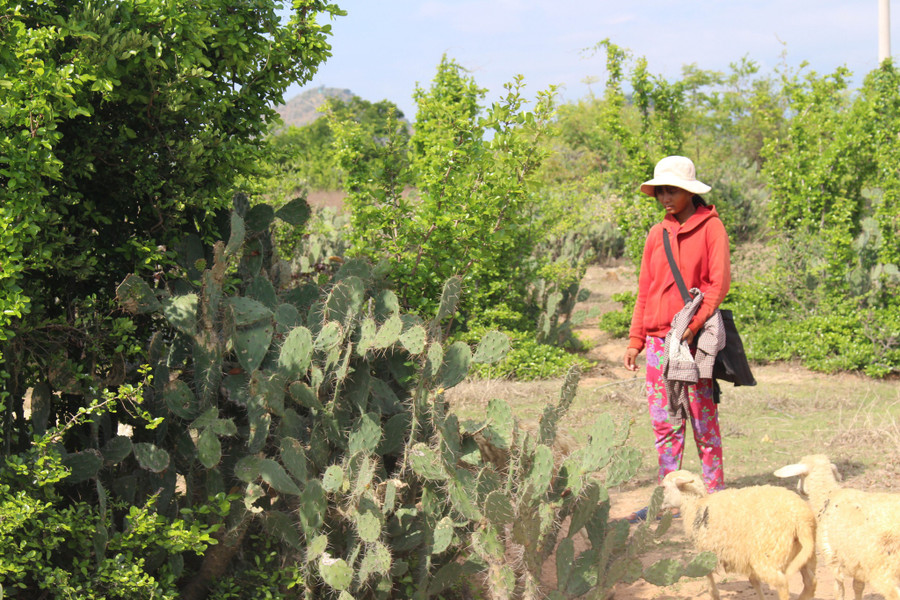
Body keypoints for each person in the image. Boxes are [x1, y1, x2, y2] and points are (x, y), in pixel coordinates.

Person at [623, 155, 730, 523]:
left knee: (702, 420)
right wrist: (635, 339)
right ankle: (668, 499)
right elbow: (645, 288)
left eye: (672, 190)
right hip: (657, 343)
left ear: (689, 192)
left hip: (694, 342)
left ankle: (715, 498)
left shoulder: (711, 228)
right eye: (660, 191)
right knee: (665, 423)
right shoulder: (657, 233)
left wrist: (693, 325)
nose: (665, 197)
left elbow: (718, 285)